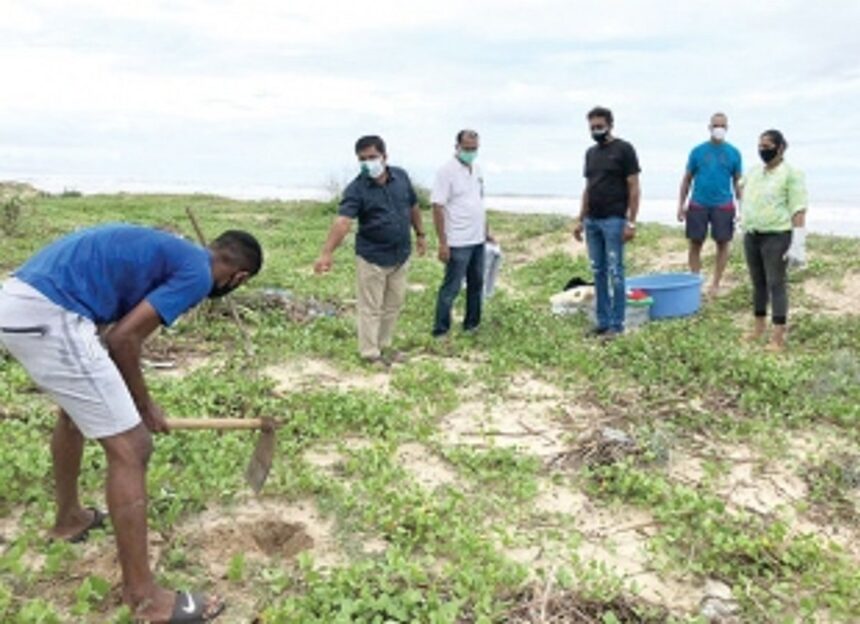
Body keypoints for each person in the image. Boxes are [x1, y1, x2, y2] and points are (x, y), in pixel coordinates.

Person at [0, 223, 263, 622]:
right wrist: (143, 406)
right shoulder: (197, 272)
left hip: (18, 300)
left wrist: (128, 400)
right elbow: (124, 339)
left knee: (75, 414)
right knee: (133, 447)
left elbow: (108, 327)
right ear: (237, 277)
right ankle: (144, 598)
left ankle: (70, 520)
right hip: (49, 314)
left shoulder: (171, 254)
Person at [314, 135, 426, 366]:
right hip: (372, 257)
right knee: (370, 308)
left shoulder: (401, 177)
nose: (368, 163)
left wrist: (420, 234)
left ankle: (385, 346)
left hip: (400, 254)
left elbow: (412, 205)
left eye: (372, 157)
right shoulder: (356, 189)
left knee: (393, 304)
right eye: (362, 159)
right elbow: (343, 222)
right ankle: (370, 353)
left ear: (385, 157)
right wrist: (326, 253)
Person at [573, 106, 641, 337]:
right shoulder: (590, 153)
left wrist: (631, 222)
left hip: (614, 220)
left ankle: (617, 324)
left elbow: (634, 187)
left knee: (616, 272)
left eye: (600, 126)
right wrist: (580, 219)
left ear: (610, 125)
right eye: (592, 127)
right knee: (598, 272)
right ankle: (602, 322)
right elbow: (588, 187)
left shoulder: (624, 149)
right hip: (592, 220)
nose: (596, 130)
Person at [740, 129, 807, 351]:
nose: (763, 150)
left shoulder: (791, 173)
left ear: (780, 147)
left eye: (767, 146)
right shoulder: (754, 172)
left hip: (777, 236)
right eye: (760, 146)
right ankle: (758, 328)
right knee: (757, 283)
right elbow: (742, 191)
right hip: (752, 234)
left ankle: (778, 336)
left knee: (776, 283)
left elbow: (798, 208)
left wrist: (798, 242)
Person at [431, 129, 492, 337]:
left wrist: (486, 230)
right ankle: (441, 330)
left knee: (476, 283)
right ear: (456, 147)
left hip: (477, 239)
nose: (470, 152)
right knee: (452, 286)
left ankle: (472, 325)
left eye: (474, 148)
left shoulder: (477, 169)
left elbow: (478, 202)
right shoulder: (446, 171)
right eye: (466, 148)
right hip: (457, 240)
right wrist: (442, 242)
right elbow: (437, 207)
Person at [677, 112, 742, 298]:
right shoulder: (697, 151)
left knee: (723, 243)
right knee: (695, 243)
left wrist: (742, 208)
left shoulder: (734, 153)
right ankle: (696, 281)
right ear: (709, 127)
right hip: (698, 204)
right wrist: (681, 205)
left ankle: (715, 283)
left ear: (727, 128)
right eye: (715, 125)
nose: (718, 129)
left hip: (723, 205)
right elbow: (686, 180)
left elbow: (738, 181)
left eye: (721, 125)